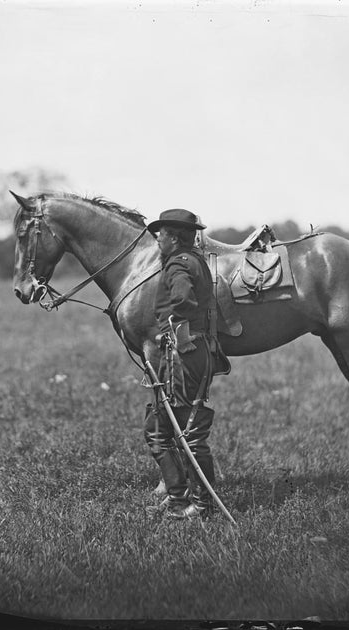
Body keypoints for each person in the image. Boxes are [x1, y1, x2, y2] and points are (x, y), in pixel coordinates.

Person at [144, 208, 221, 520]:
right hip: (193, 351)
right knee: (165, 428)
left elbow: (184, 300)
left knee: (177, 431)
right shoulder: (195, 260)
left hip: (181, 355)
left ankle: (195, 505)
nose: (157, 239)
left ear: (173, 238)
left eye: (160, 234)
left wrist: (176, 332)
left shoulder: (177, 264)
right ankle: (184, 500)